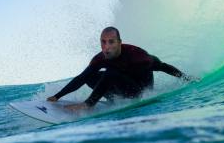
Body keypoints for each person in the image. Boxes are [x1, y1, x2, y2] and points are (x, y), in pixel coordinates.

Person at [47, 26, 197, 111]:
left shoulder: (138, 56)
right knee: (90, 75)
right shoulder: (100, 58)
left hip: (140, 91)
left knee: (110, 73)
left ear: (119, 42)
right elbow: (81, 78)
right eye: (103, 42)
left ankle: (88, 104)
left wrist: (187, 78)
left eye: (111, 42)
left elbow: (163, 67)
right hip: (120, 88)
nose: (106, 47)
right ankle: (112, 100)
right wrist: (57, 96)